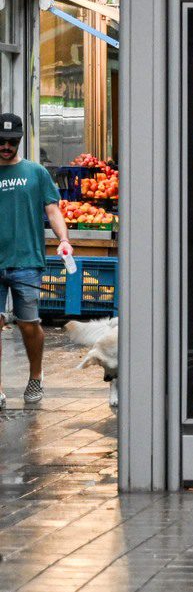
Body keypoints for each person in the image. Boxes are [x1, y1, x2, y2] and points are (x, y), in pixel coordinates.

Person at [0, 113, 70, 408]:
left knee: (29, 325)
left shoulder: (36, 172)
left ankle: (36, 376)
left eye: (11, 142)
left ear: (19, 140)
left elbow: (52, 210)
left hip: (27, 260)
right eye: (1, 142)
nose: (6, 146)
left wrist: (64, 238)